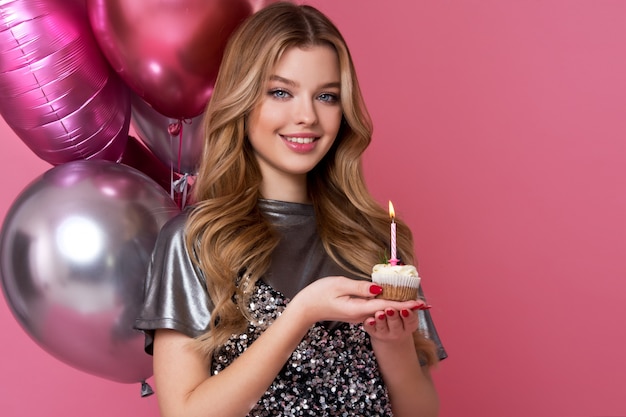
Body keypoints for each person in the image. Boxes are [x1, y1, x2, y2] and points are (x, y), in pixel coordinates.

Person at [135, 2, 447, 416]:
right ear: (242, 99)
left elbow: (421, 412)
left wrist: (393, 345)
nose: (307, 116)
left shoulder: (378, 243)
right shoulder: (195, 242)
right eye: (281, 92)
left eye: (327, 96)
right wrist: (301, 313)